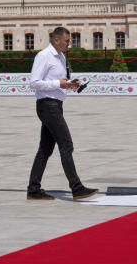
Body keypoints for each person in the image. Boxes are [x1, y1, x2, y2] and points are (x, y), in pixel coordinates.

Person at [27, 27, 99, 201]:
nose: (69, 43)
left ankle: (33, 189)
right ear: (56, 40)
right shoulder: (44, 56)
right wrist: (58, 83)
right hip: (47, 105)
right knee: (66, 145)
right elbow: (34, 83)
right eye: (67, 40)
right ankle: (77, 188)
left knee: (45, 149)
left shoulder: (61, 57)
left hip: (56, 105)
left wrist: (70, 84)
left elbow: (59, 81)